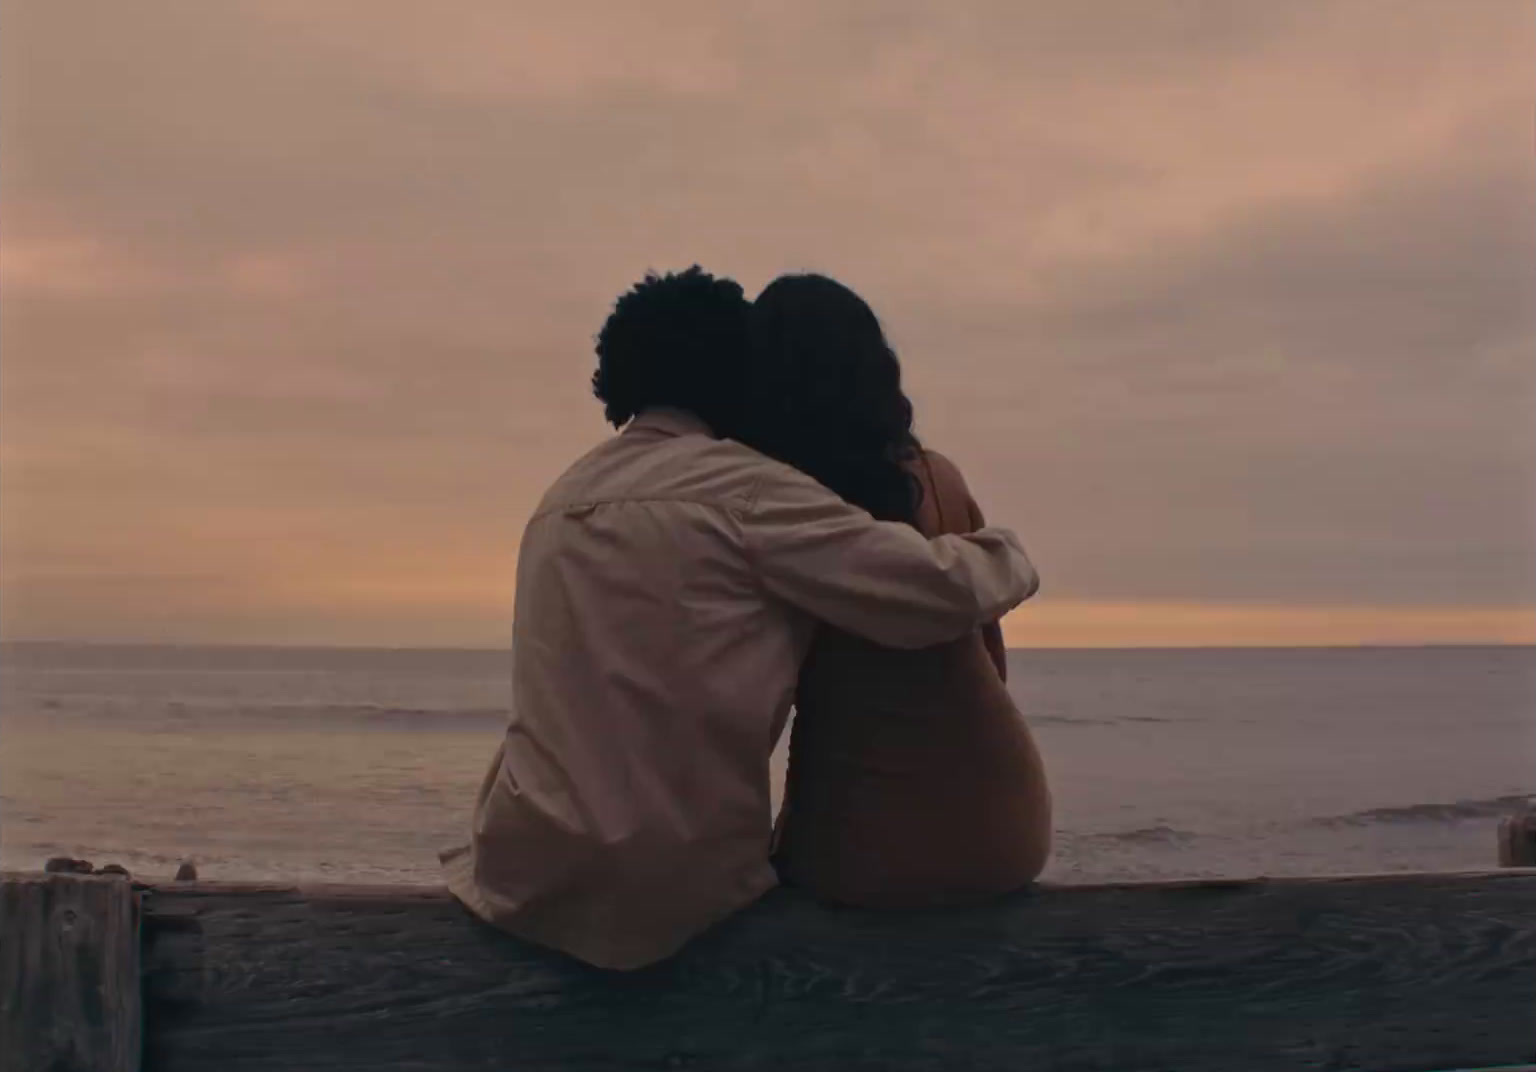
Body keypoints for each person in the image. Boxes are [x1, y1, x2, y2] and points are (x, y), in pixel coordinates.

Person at [442, 266, 1040, 969]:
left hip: (527, 868)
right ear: (734, 373)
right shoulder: (745, 492)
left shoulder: (559, 500)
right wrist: (1005, 549)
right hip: (672, 892)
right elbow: (933, 594)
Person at [740, 273, 1053, 909]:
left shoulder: (773, 508)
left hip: (867, 852)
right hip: (1008, 827)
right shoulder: (937, 476)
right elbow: (991, 661)